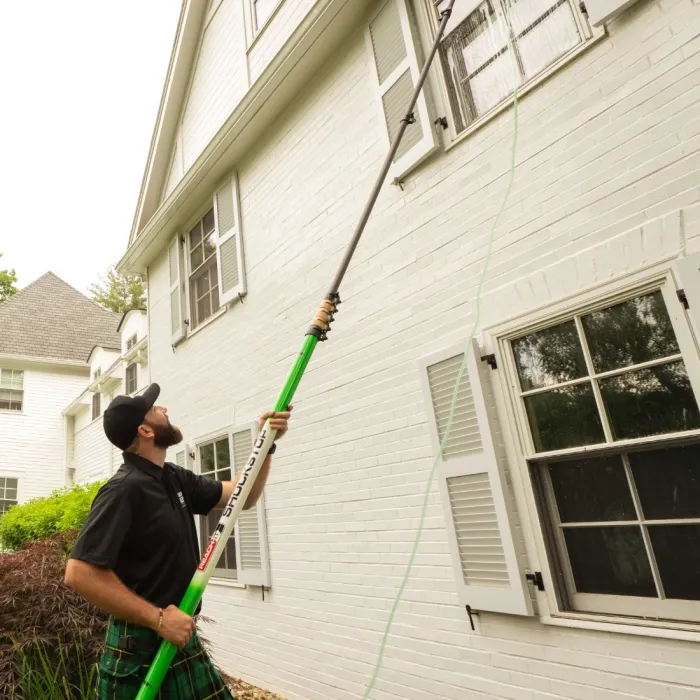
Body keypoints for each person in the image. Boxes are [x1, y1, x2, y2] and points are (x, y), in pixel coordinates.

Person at [64, 383, 291, 699]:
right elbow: (79, 572)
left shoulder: (173, 477)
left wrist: (264, 444)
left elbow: (244, 495)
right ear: (145, 430)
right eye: (156, 409)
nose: (164, 410)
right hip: (141, 646)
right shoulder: (124, 490)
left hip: (177, 633)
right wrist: (157, 619)